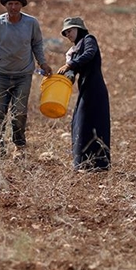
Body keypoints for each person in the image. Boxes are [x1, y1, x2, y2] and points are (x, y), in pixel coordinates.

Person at [0, 0, 53, 157]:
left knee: (19, 112)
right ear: (5, 6)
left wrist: (42, 63)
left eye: (16, 4)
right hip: (2, 75)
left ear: (21, 6)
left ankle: (19, 146)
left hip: (23, 75)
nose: (13, 7)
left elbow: (37, 44)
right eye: (10, 4)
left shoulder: (31, 23)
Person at [56, 17, 110, 171]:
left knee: (93, 123)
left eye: (70, 30)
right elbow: (73, 73)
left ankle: (99, 163)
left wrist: (69, 64)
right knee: (81, 123)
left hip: (95, 89)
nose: (68, 34)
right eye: (66, 33)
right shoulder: (73, 51)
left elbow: (89, 54)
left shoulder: (88, 39)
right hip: (86, 88)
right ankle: (83, 162)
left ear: (79, 29)